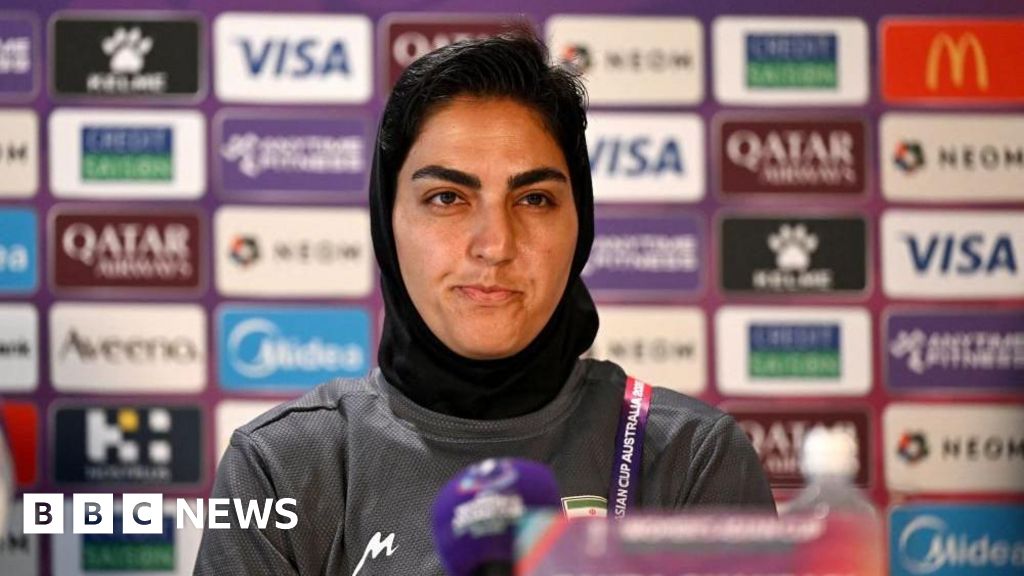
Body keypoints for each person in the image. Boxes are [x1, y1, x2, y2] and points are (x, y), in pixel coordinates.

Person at [194, 30, 774, 576]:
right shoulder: (282, 466)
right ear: (387, 222)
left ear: (581, 222)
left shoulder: (690, 458)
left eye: (535, 198)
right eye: (447, 197)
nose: (495, 245)